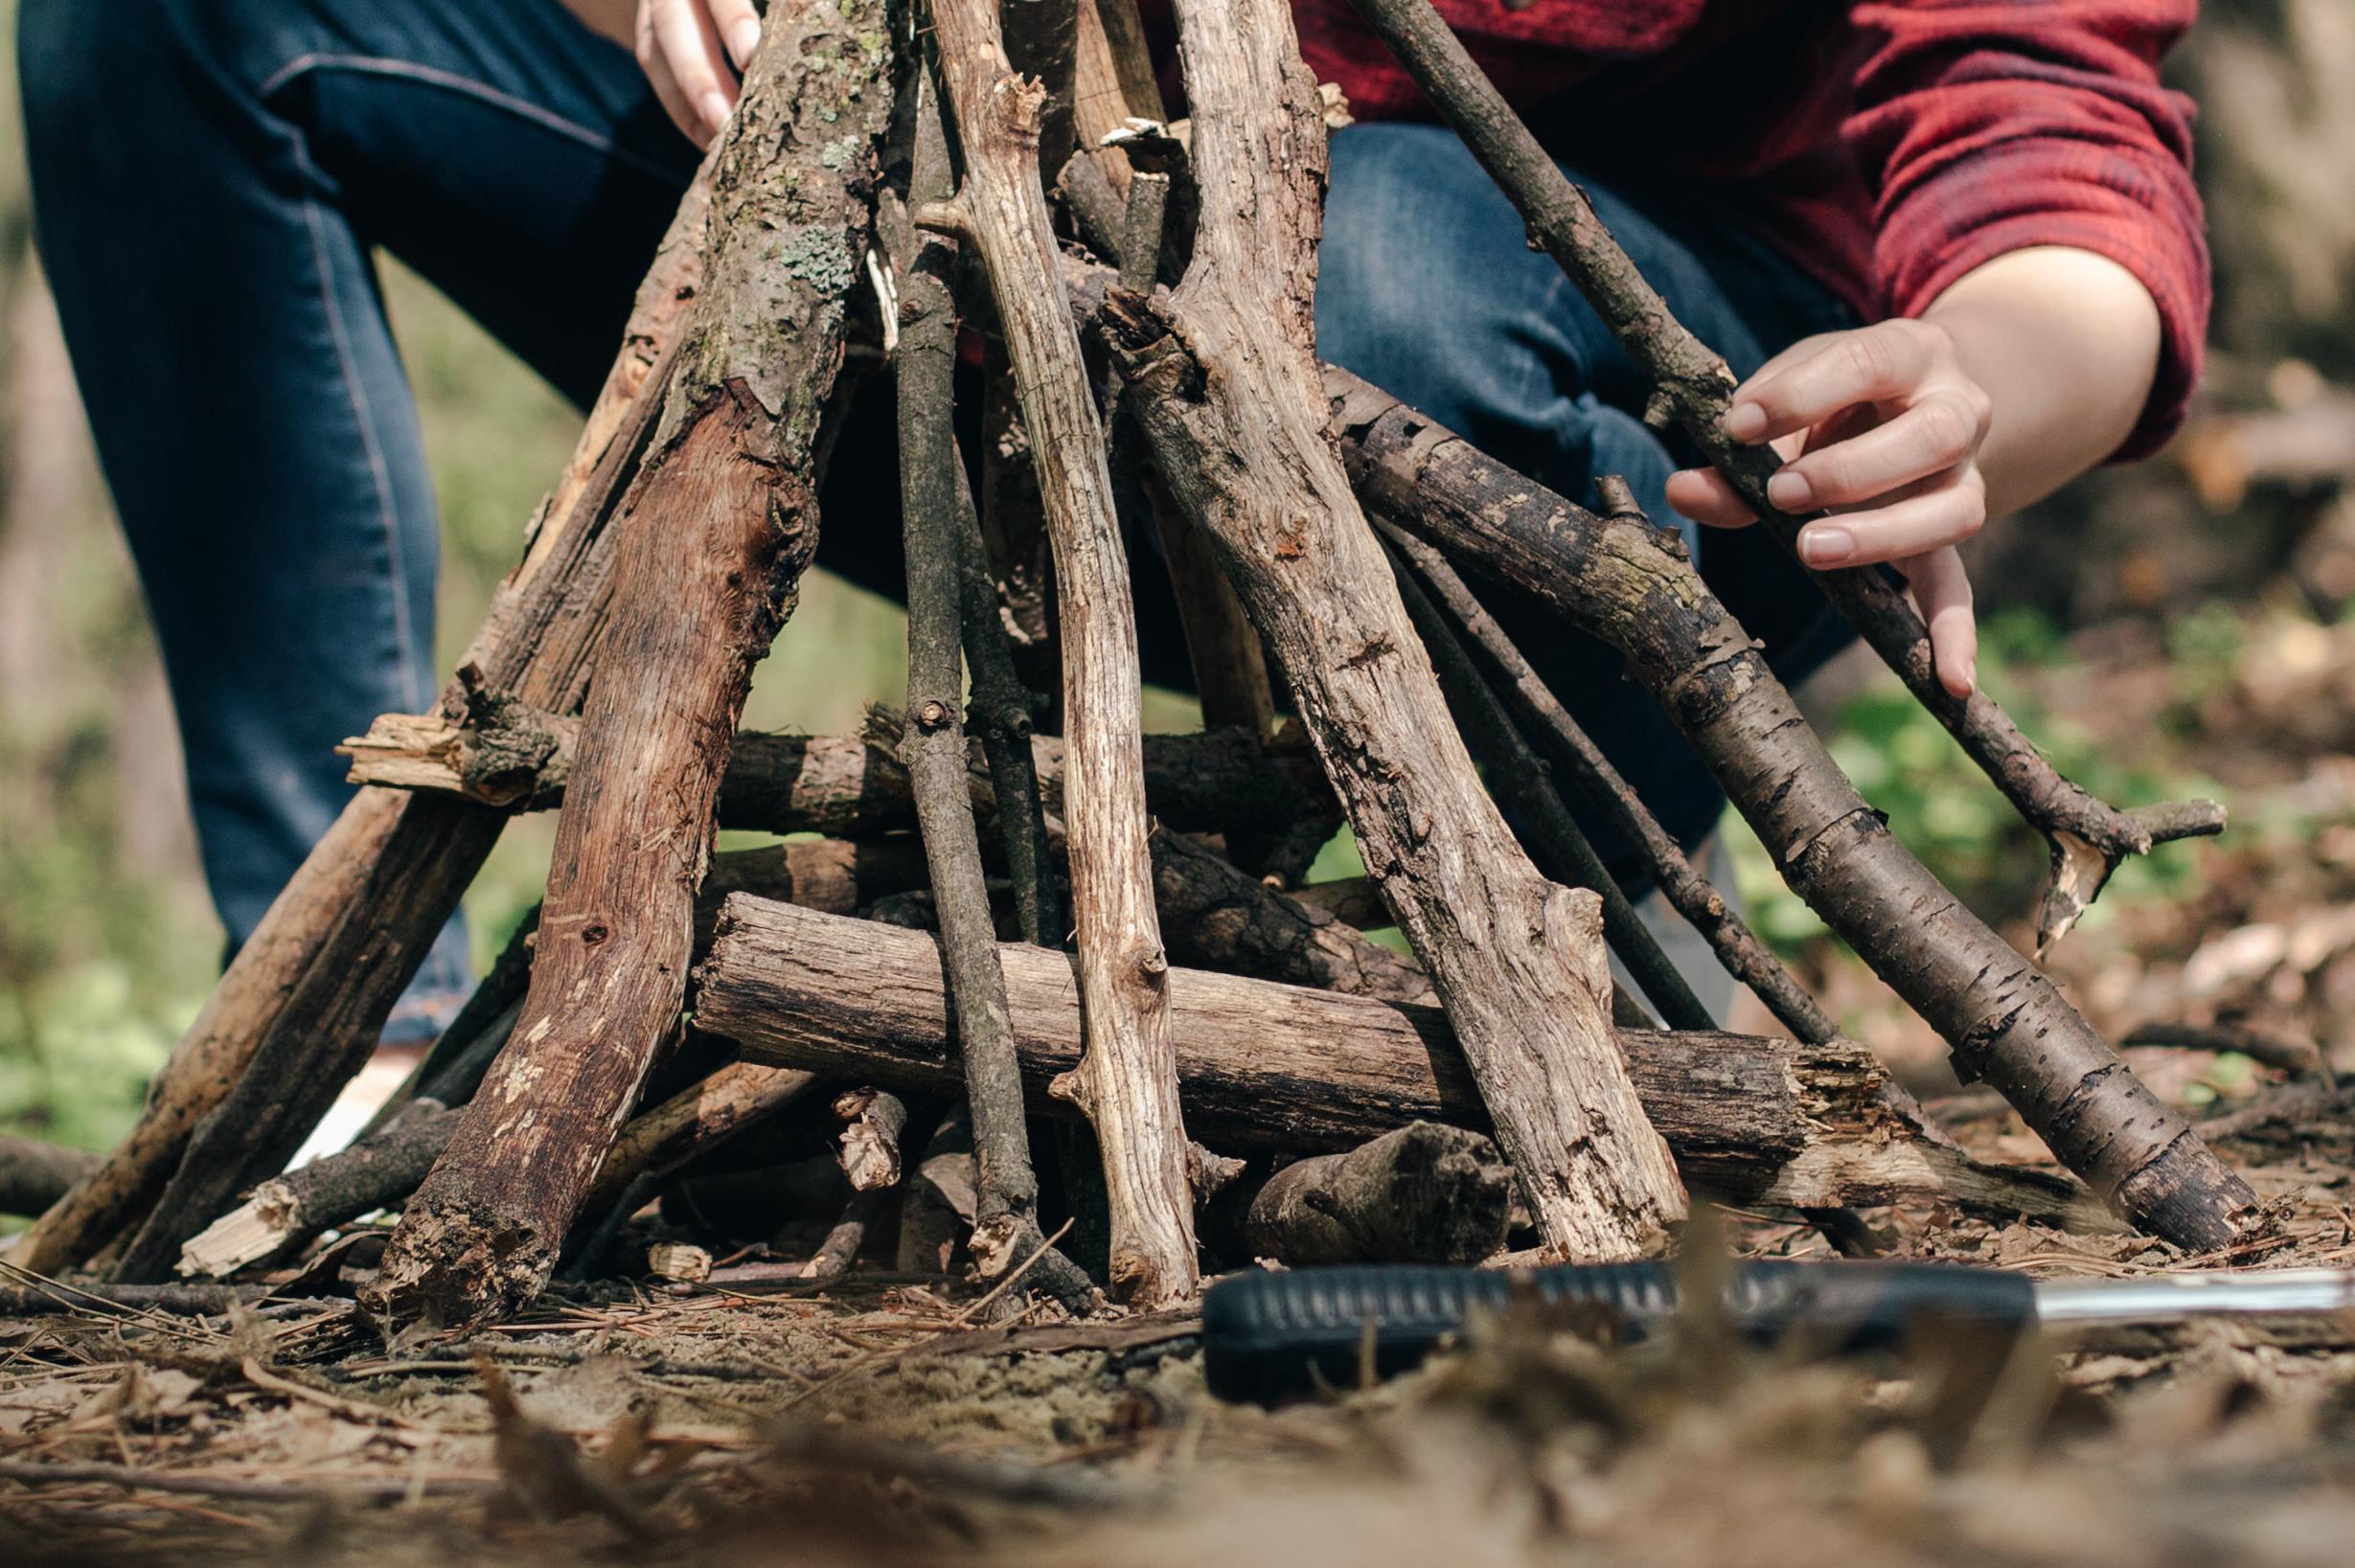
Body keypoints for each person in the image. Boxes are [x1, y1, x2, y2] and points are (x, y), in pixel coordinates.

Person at [19, 0, 2205, 1032]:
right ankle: (333, 1037)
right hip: (968, 328)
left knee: (1374, 262)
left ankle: (1579, 910)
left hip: (1595, 419)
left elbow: (2050, 124)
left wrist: (1975, 387)